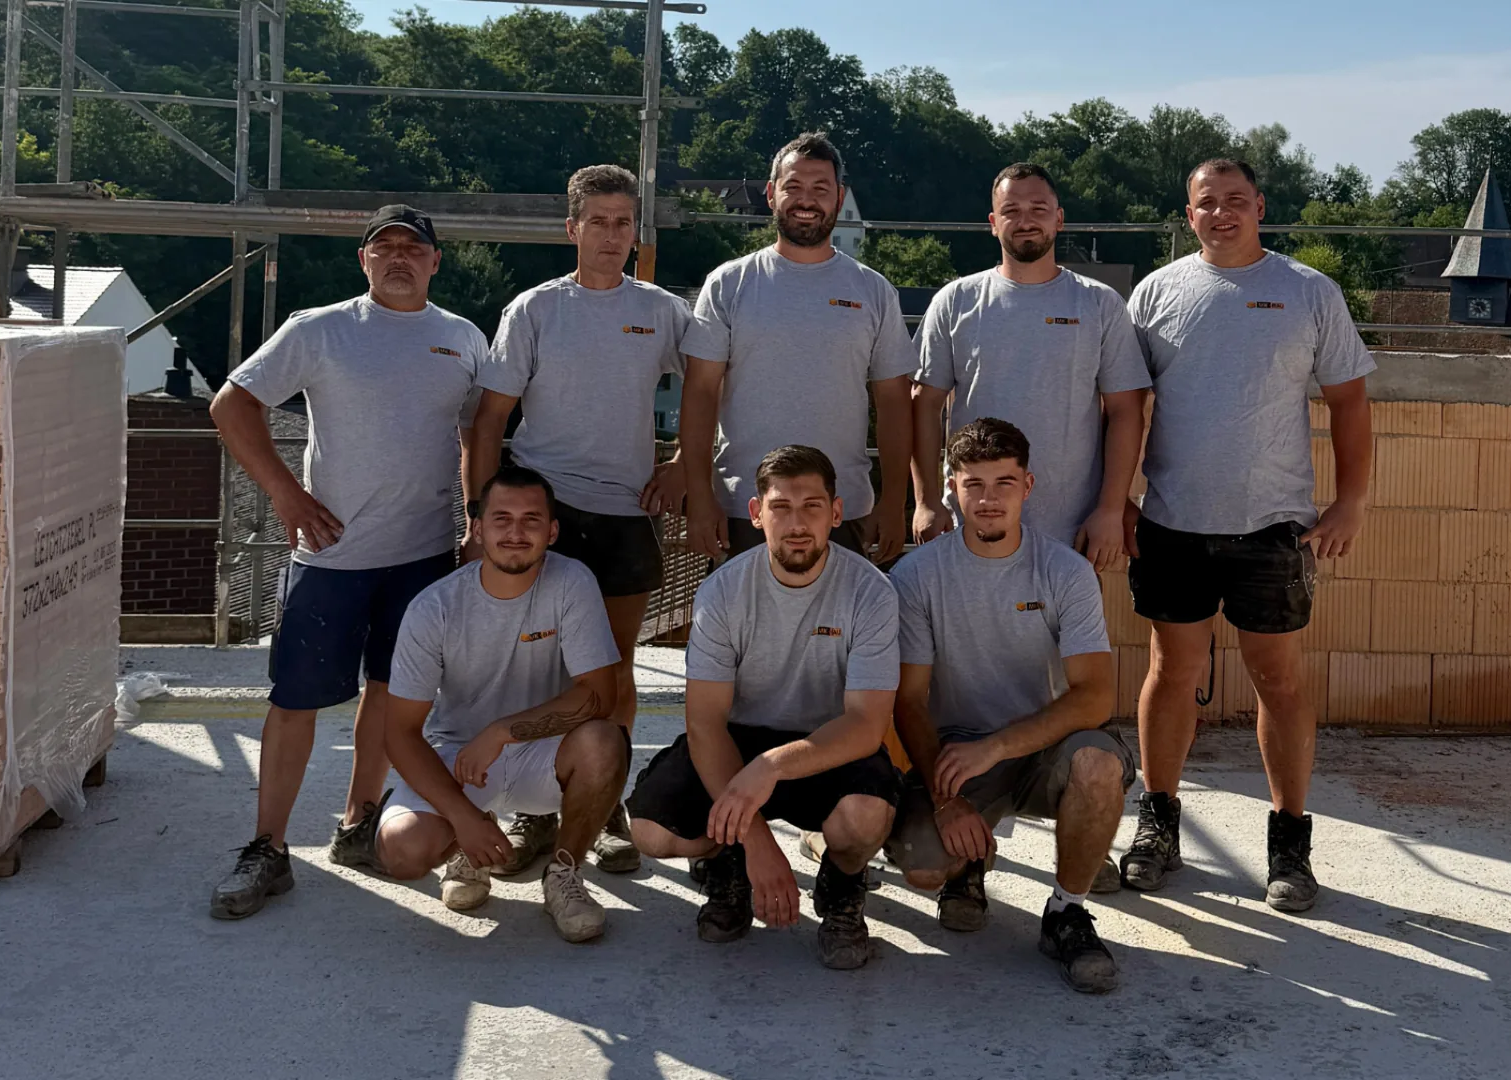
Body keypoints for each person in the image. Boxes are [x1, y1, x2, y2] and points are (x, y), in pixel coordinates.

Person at [208, 205, 491, 920]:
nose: (399, 257)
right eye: (383, 247)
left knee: (393, 697)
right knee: (295, 701)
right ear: (362, 261)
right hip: (332, 555)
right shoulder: (320, 328)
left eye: (413, 247)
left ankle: (357, 823)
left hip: (423, 555)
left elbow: (471, 440)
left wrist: (475, 522)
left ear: (435, 261)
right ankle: (267, 848)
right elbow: (230, 405)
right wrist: (285, 494)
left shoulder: (461, 339)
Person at [1122, 159, 1374, 913]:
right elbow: (1125, 408)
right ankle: (1158, 825)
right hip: (1171, 522)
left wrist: (1351, 501)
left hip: (1273, 529)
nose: (1223, 213)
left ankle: (1289, 847)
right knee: (1171, 675)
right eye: (1208, 203)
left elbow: (1351, 401)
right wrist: (1119, 499)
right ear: (1188, 212)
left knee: (1280, 681)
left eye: (1237, 201)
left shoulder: (1307, 291)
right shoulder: (1156, 293)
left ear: (1261, 206)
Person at [471, 164, 692, 879]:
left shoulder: (660, 311)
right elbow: (492, 416)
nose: (609, 234)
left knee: (613, 670)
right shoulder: (535, 309)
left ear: (636, 232)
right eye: (596, 221)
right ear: (571, 229)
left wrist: (687, 459)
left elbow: (716, 381)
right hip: (547, 512)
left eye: (622, 222)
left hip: (626, 512)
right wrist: (480, 512)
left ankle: (605, 806)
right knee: (536, 664)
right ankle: (535, 808)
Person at [627, 445, 901, 970]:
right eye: (781, 507)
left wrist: (771, 767)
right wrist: (756, 843)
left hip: (826, 744)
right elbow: (705, 725)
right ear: (756, 514)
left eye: (812, 507)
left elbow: (866, 726)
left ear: (836, 513)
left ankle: (842, 888)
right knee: (651, 831)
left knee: (864, 818)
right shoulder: (722, 591)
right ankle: (729, 866)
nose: (797, 524)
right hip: (738, 740)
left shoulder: (871, 592)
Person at [886, 419, 1127, 994]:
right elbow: (909, 702)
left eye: (1003, 483)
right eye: (974, 485)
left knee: (1098, 765)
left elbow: (1095, 695)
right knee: (922, 868)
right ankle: (967, 864)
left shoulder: (1066, 571)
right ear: (951, 487)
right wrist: (946, 800)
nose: (989, 499)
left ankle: (1067, 912)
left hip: (1039, 745)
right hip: (954, 753)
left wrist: (994, 747)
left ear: (1029, 485)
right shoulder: (917, 575)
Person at [375, 467, 628, 942]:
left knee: (604, 741)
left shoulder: (572, 581)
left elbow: (600, 696)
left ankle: (565, 876)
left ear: (552, 531)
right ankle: (467, 846)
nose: (516, 532)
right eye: (501, 519)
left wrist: (501, 732)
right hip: (460, 757)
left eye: (531, 520)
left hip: (543, 754)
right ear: (478, 527)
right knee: (402, 854)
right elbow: (400, 732)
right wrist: (462, 817)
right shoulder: (435, 607)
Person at [679, 132, 916, 565]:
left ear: (839, 197)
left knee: (840, 634)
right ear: (771, 194)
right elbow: (699, 394)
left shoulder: (873, 290)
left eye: (820, 189)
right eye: (794, 187)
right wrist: (699, 496)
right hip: (744, 509)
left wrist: (894, 501)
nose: (806, 200)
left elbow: (895, 403)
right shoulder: (728, 284)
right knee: (743, 634)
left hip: (845, 509)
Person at [911, 163, 1151, 571]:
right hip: (969, 521)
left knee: (1063, 636)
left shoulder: (1099, 303)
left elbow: (1127, 412)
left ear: (1058, 219)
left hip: (1071, 526)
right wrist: (926, 501)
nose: (1025, 221)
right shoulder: (956, 301)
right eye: (1011, 211)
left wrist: (1110, 508)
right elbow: (923, 404)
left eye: (1038, 209)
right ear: (993, 222)